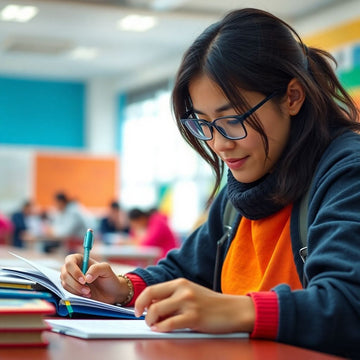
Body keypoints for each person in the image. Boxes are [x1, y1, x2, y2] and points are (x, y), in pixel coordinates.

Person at [60, 8, 360, 358]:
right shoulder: (242, 189)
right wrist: (124, 289)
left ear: (292, 97)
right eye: (203, 124)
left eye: (232, 119)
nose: (219, 144)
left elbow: (347, 304)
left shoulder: (346, 172)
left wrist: (235, 310)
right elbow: (184, 270)